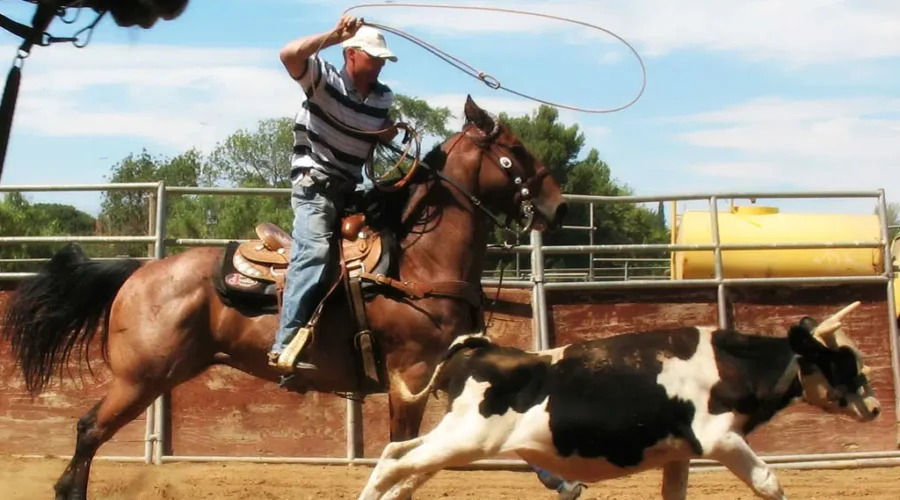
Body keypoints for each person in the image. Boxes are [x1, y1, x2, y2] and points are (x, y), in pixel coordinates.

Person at [268, 15, 398, 373]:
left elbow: (378, 131)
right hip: (315, 188)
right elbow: (288, 54)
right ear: (352, 54)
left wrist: (390, 134)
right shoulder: (324, 78)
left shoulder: (383, 98)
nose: (378, 66)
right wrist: (335, 35)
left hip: (350, 191)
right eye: (373, 58)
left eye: (382, 60)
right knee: (314, 252)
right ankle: (285, 345)